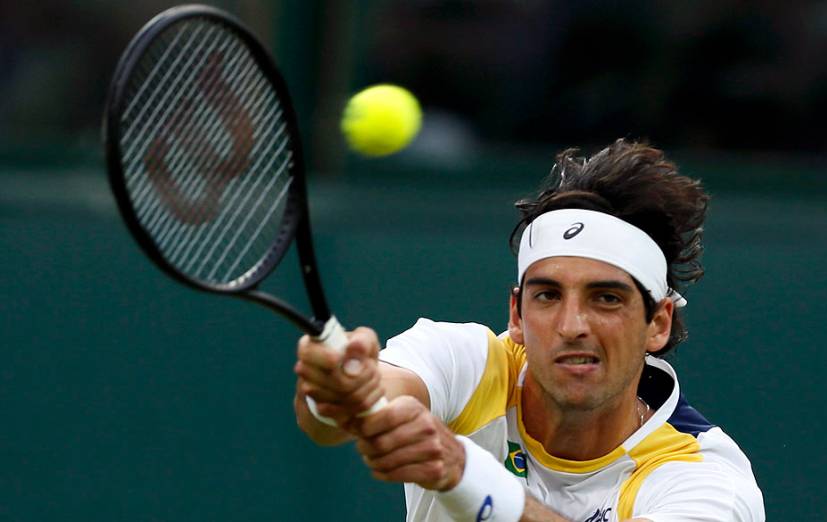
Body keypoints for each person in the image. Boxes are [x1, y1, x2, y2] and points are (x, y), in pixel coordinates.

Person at [293, 138, 765, 521]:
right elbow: (342, 413)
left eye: (606, 298)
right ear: (517, 316)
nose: (572, 325)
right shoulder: (466, 363)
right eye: (548, 296)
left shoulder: (707, 479)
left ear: (657, 323)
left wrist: (466, 478)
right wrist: (337, 392)